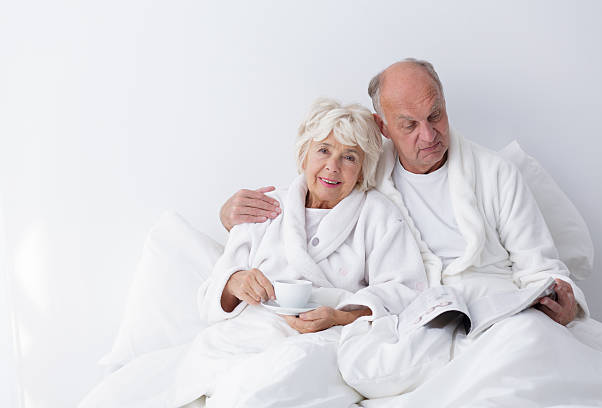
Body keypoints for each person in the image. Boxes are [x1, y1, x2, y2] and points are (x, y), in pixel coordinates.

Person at [219, 59, 602, 404]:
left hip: (496, 305)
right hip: (417, 318)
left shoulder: (496, 174)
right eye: (409, 124)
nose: (429, 135)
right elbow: (312, 198)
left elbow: (541, 266)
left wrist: (563, 300)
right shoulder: (365, 170)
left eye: (436, 115)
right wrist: (230, 217)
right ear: (383, 126)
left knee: (525, 348)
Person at [80, 98, 428, 408]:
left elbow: (404, 290)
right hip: (247, 332)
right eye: (323, 150)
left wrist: (338, 316)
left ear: (363, 168)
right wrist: (235, 283)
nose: (332, 166)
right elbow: (212, 295)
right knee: (127, 392)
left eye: (348, 157)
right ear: (305, 153)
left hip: (321, 338)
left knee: (266, 386)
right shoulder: (267, 207)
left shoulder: (377, 214)